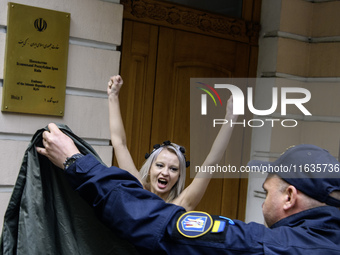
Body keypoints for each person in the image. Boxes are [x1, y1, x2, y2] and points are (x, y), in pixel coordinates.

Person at [37, 128, 340, 254]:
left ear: (289, 197)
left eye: (266, 192)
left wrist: (76, 163)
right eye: (160, 166)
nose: (262, 201)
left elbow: (161, 222)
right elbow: (120, 143)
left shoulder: (274, 246)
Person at [107, 75, 238, 210]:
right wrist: (113, 95)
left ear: (179, 176)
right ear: (150, 169)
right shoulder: (136, 189)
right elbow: (119, 143)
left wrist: (231, 116)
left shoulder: (182, 204)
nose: (165, 173)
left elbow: (212, 161)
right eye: (160, 165)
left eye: (173, 169)